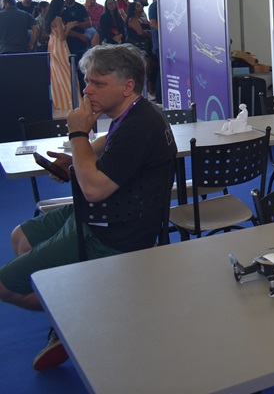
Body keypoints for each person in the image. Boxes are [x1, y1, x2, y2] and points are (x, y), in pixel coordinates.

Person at [0, 44, 177, 370]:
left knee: (5, 286)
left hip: (111, 230)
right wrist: (77, 159)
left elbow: (94, 190)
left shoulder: (138, 127)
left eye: (98, 83)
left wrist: (78, 133)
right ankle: (76, 303)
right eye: (87, 81)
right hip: (108, 213)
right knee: (20, 238)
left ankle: (76, 314)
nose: (87, 90)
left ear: (127, 86)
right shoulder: (137, 112)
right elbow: (106, 144)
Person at [46, 0, 79, 111]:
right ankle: (70, 99)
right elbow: (62, 36)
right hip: (60, 47)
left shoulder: (48, 18)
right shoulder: (58, 18)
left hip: (52, 45)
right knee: (68, 73)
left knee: (57, 74)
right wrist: (68, 27)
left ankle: (61, 100)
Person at [60, 0, 91, 88]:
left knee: (82, 69)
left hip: (80, 43)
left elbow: (89, 23)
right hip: (68, 43)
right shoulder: (61, 9)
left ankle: (82, 91)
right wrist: (78, 35)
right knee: (69, 70)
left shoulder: (80, 8)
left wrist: (75, 24)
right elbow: (62, 29)